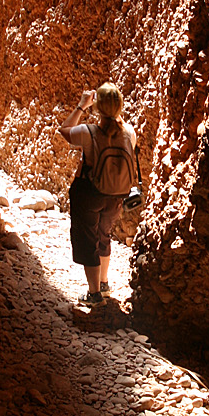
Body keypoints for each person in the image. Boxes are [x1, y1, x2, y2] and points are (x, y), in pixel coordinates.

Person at [56, 82, 140, 304]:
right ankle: (104, 284)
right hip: (116, 197)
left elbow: (64, 131)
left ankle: (94, 294)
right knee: (104, 236)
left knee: (87, 239)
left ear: (97, 108)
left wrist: (82, 106)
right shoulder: (130, 132)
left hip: (90, 193)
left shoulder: (88, 132)